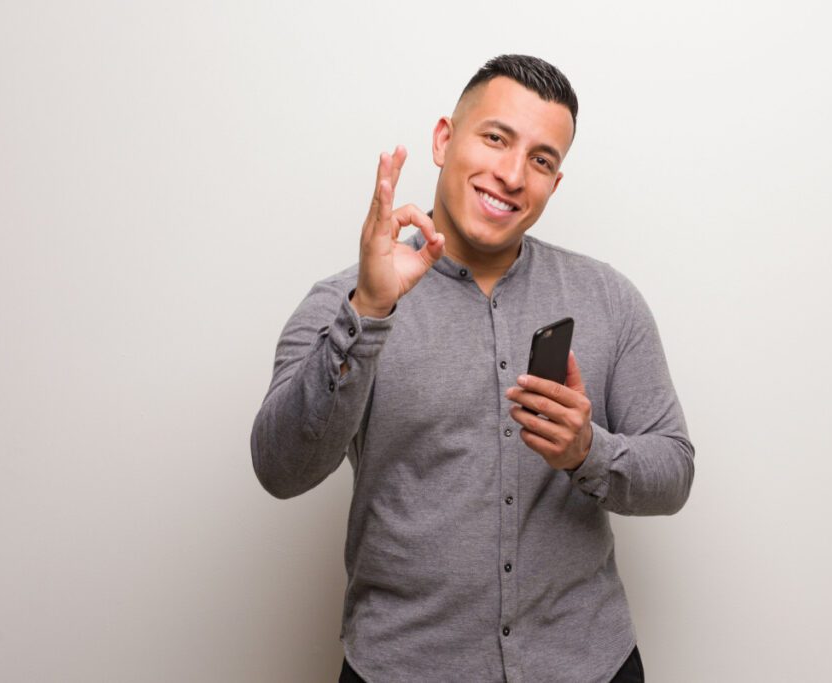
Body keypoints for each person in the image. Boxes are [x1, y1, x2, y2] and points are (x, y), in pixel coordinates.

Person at [250, 54, 694, 683]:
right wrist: (369, 314)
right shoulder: (341, 304)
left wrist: (586, 452)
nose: (512, 174)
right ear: (443, 139)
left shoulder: (608, 299)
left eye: (541, 159)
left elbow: (674, 470)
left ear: (554, 183)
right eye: (495, 138)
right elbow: (280, 469)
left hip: (589, 666)